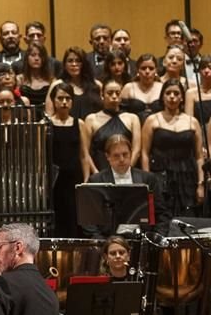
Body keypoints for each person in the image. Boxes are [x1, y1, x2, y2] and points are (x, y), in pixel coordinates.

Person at [141, 78, 204, 216]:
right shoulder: (152, 120)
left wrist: (201, 184)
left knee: (188, 217)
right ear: (162, 96)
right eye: (168, 93)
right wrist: (147, 183)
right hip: (160, 176)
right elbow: (144, 153)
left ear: (182, 97)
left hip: (188, 177)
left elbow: (199, 157)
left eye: (176, 93)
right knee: (162, 216)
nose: (172, 97)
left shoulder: (192, 122)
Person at [88, 134, 171, 233]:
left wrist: (155, 239)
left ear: (131, 153)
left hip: (142, 239)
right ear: (107, 156)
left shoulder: (148, 179)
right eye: (116, 156)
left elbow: (161, 214)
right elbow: (89, 220)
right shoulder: (96, 181)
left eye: (125, 154)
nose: (122, 159)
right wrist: (101, 243)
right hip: (109, 240)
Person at [47, 83, 90, 237]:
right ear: (53, 100)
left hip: (74, 180)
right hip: (54, 181)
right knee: (56, 221)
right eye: (60, 98)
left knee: (73, 219)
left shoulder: (80, 124)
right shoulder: (46, 125)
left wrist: (85, 180)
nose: (64, 102)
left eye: (68, 98)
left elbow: (84, 155)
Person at [86, 79, 141, 175]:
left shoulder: (132, 118)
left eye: (117, 93)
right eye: (110, 93)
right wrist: (96, 174)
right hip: (100, 172)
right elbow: (85, 152)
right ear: (102, 95)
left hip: (127, 173)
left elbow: (136, 150)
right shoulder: (91, 119)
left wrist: (127, 171)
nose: (114, 96)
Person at [45, 47, 102, 119]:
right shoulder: (57, 85)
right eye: (70, 61)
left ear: (84, 64)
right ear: (65, 65)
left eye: (78, 61)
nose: (74, 64)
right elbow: (49, 116)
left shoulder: (96, 85)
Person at [121, 54, 163, 124]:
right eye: (143, 68)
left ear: (156, 70)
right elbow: (121, 115)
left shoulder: (162, 87)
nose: (147, 71)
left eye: (151, 68)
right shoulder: (128, 88)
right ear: (137, 70)